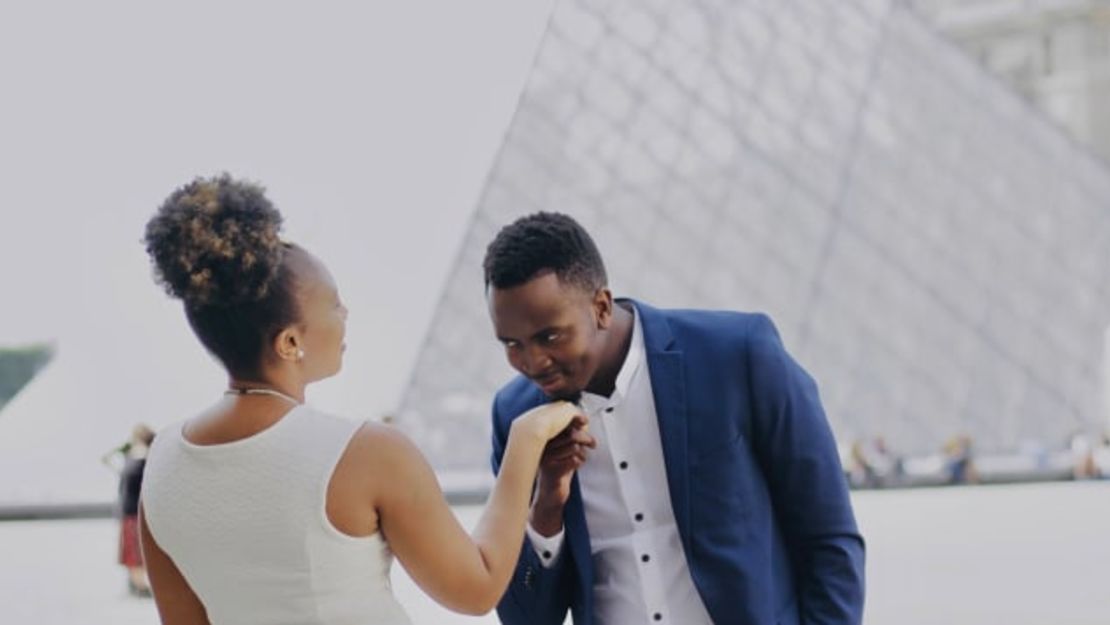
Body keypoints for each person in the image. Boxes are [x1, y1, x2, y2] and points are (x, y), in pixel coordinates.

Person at [138, 175, 584, 625]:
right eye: (333, 304)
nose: (346, 315)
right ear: (290, 341)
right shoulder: (365, 452)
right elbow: (476, 587)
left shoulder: (163, 462)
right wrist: (525, 444)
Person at [483, 212, 865, 625]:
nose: (532, 361)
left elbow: (829, 538)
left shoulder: (737, 357)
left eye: (549, 336)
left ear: (601, 308)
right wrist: (547, 505)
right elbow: (527, 619)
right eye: (511, 344)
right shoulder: (517, 420)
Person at [102, 424, 156, 596]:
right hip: (128, 510)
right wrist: (120, 449)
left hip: (136, 512)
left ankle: (140, 586)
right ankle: (137, 584)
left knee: (136, 552)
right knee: (132, 552)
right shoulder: (131, 457)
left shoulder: (147, 459)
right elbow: (105, 459)